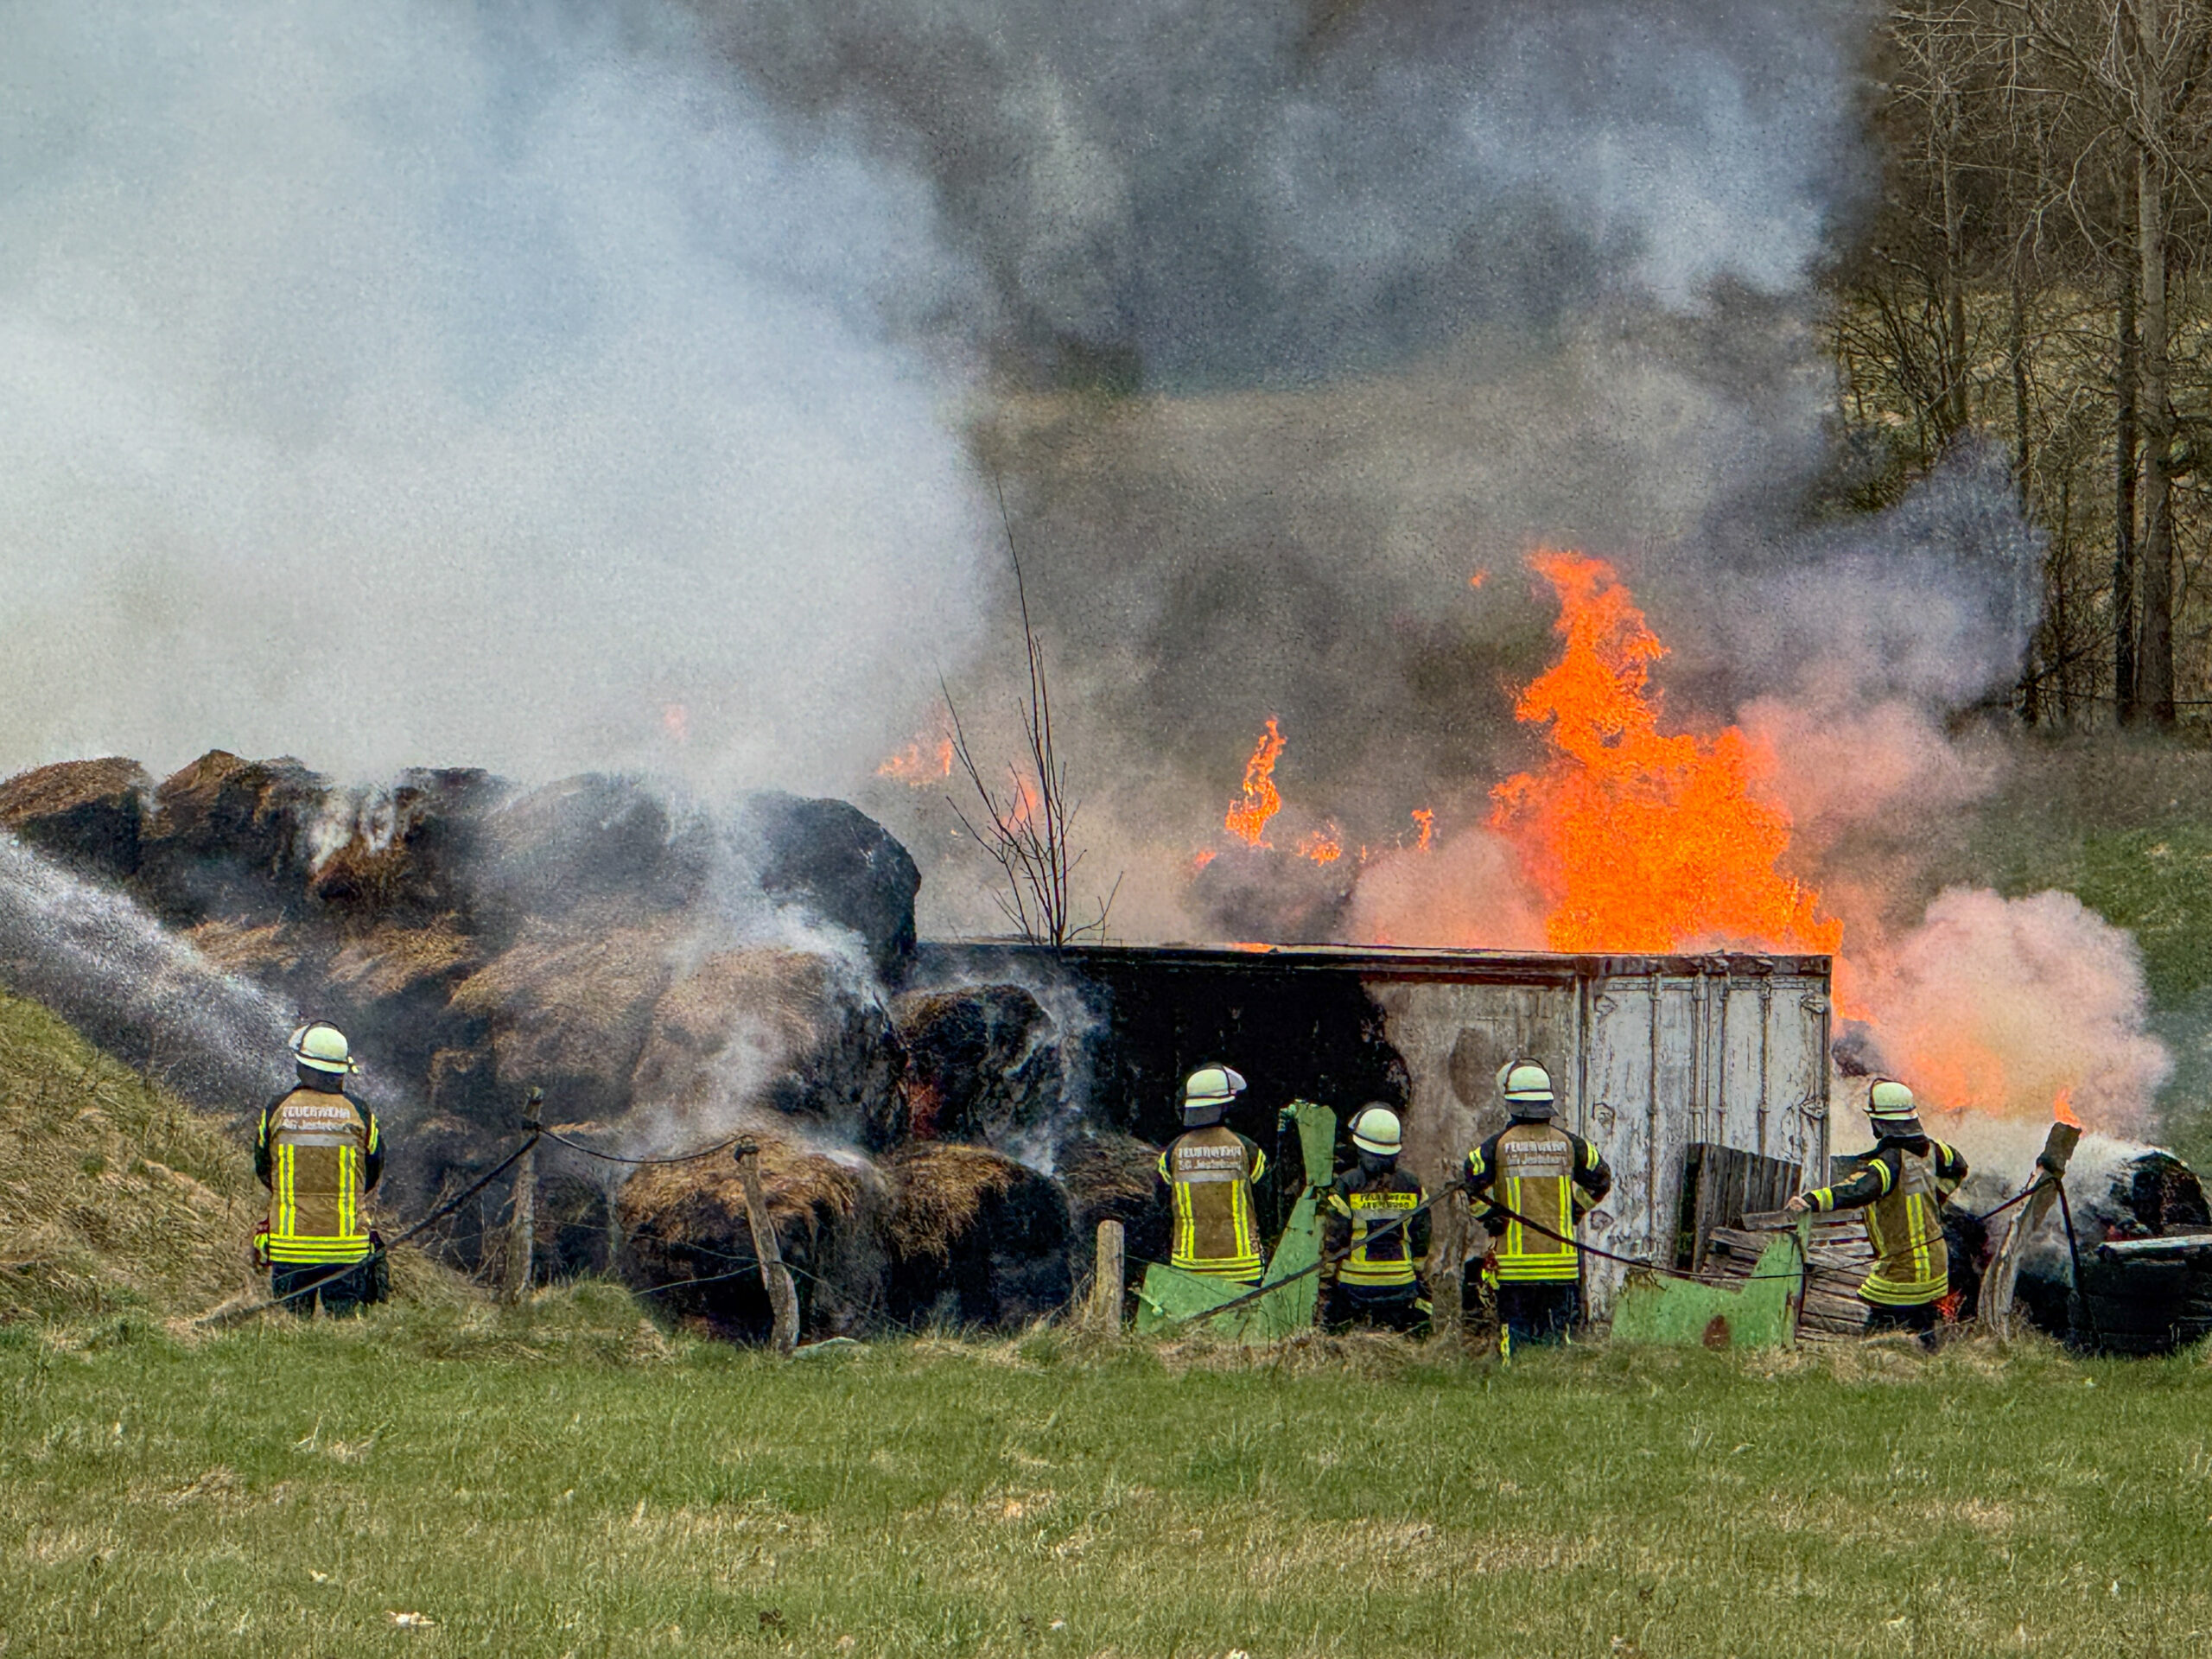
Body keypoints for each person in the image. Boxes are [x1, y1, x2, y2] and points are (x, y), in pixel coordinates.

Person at [1786, 1077, 1967, 1347]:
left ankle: (1873, 1364)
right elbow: (1959, 1166)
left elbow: (1859, 1190)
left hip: (1904, 1268)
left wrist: (1811, 1201)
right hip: (1934, 1264)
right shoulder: (1936, 1150)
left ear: (1881, 1123)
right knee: (1923, 1326)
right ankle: (1930, 1361)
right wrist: (1938, 1197)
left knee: (1879, 1333)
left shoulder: (1888, 1163)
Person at [1464, 1059, 1612, 1354]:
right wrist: (1573, 1210)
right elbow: (1601, 1179)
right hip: (1561, 1266)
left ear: (1512, 1103)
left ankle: (1515, 1387)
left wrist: (1492, 1219)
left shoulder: (1496, 1146)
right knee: (1557, 1341)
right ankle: (1554, 1385)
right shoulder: (1571, 1144)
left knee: (1514, 1337)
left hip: (1515, 1268)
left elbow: (1470, 1182)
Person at [255, 1021, 385, 1316]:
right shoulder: (359, 1112)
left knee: (290, 1330)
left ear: (303, 1067)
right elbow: (373, 1169)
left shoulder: (277, 1109)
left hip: (290, 1246)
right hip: (346, 1247)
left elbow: (263, 1167)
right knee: (346, 1328)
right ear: (340, 1072)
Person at [1156, 1065, 1269, 1285]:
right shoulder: (1246, 1148)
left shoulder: (1173, 1152)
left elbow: (1162, 1204)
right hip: (1243, 1266)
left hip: (1189, 1266)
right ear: (1225, 1106)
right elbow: (1264, 1200)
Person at [1321, 1104, 1429, 1333]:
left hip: (1355, 1286)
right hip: (1401, 1284)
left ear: (1359, 1147)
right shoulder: (1412, 1185)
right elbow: (1422, 1234)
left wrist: (1327, 1275)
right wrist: (1417, 1270)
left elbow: (1335, 1235)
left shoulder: (1347, 1184)